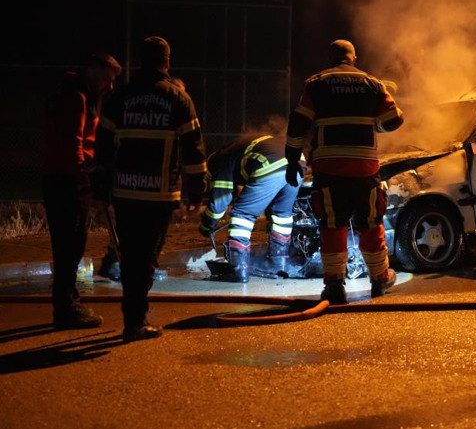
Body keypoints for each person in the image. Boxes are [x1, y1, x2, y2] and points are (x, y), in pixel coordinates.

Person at [94, 36, 206, 342]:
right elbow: (193, 149)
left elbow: (103, 147)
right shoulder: (178, 99)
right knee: (147, 256)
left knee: (132, 255)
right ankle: (135, 320)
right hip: (159, 195)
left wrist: (101, 187)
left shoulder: (120, 98)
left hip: (126, 193)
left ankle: (134, 315)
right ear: (166, 62)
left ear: (138, 62)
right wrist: (196, 191)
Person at [285, 39, 404, 304]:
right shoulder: (373, 84)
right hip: (364, 168)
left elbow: (299, 122)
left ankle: (335, 286)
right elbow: (393, 119)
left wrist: (293, 158)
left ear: (331, 59)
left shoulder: (316, 84)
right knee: (371, 223)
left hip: (329, 169)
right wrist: (374, 126)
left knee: (331, 225)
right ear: (354, 58)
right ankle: (380, 278)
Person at [43, 52, 122, 329]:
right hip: (66, 182)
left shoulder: (68, 92)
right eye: (106, 79)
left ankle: (65, 304)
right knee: (71, 245)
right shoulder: (77, 98)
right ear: (91, 72)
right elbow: (73, 144)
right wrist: (83, 183)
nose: (109, 86)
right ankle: (67, 309)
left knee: (67, 246)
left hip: (58, 178)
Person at [198, 134, 302, 282]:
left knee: (241, 215)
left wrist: (206, 226)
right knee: (281, 214)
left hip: (270, 163)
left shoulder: (220, 161)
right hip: (296, 162)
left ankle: (238, 270)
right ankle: (279, 264)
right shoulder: (237, 150)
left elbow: (220, 201)